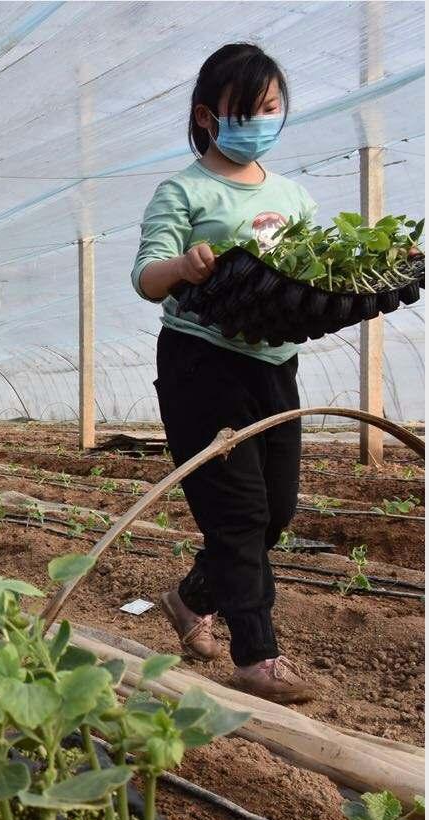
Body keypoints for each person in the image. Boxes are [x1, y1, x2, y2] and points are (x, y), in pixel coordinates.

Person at [131, 43, 317, 704]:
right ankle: (257, 654)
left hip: (273, 365)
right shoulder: (184, 191)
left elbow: (313, 275)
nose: (262, 121)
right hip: (201, 366)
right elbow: (146, 276)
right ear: (208, 117)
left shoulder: (293, 195)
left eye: (271, 109)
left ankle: (189, 598)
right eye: (247, 111)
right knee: (239, 514)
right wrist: (183, 267)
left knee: (277, 513)